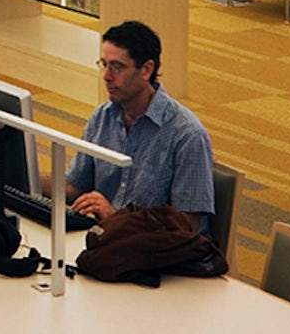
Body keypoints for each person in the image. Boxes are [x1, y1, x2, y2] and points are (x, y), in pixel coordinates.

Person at [66, 21, 214, 229]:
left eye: (116, 67)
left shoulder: (186, 135)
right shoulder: (103, 117)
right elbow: (74, 187)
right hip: (111, 242)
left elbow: (186, 226)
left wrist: (115, 218)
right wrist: (17, 172)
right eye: (104, 64)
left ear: (146, 70)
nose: (106, 76)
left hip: (160, 255)